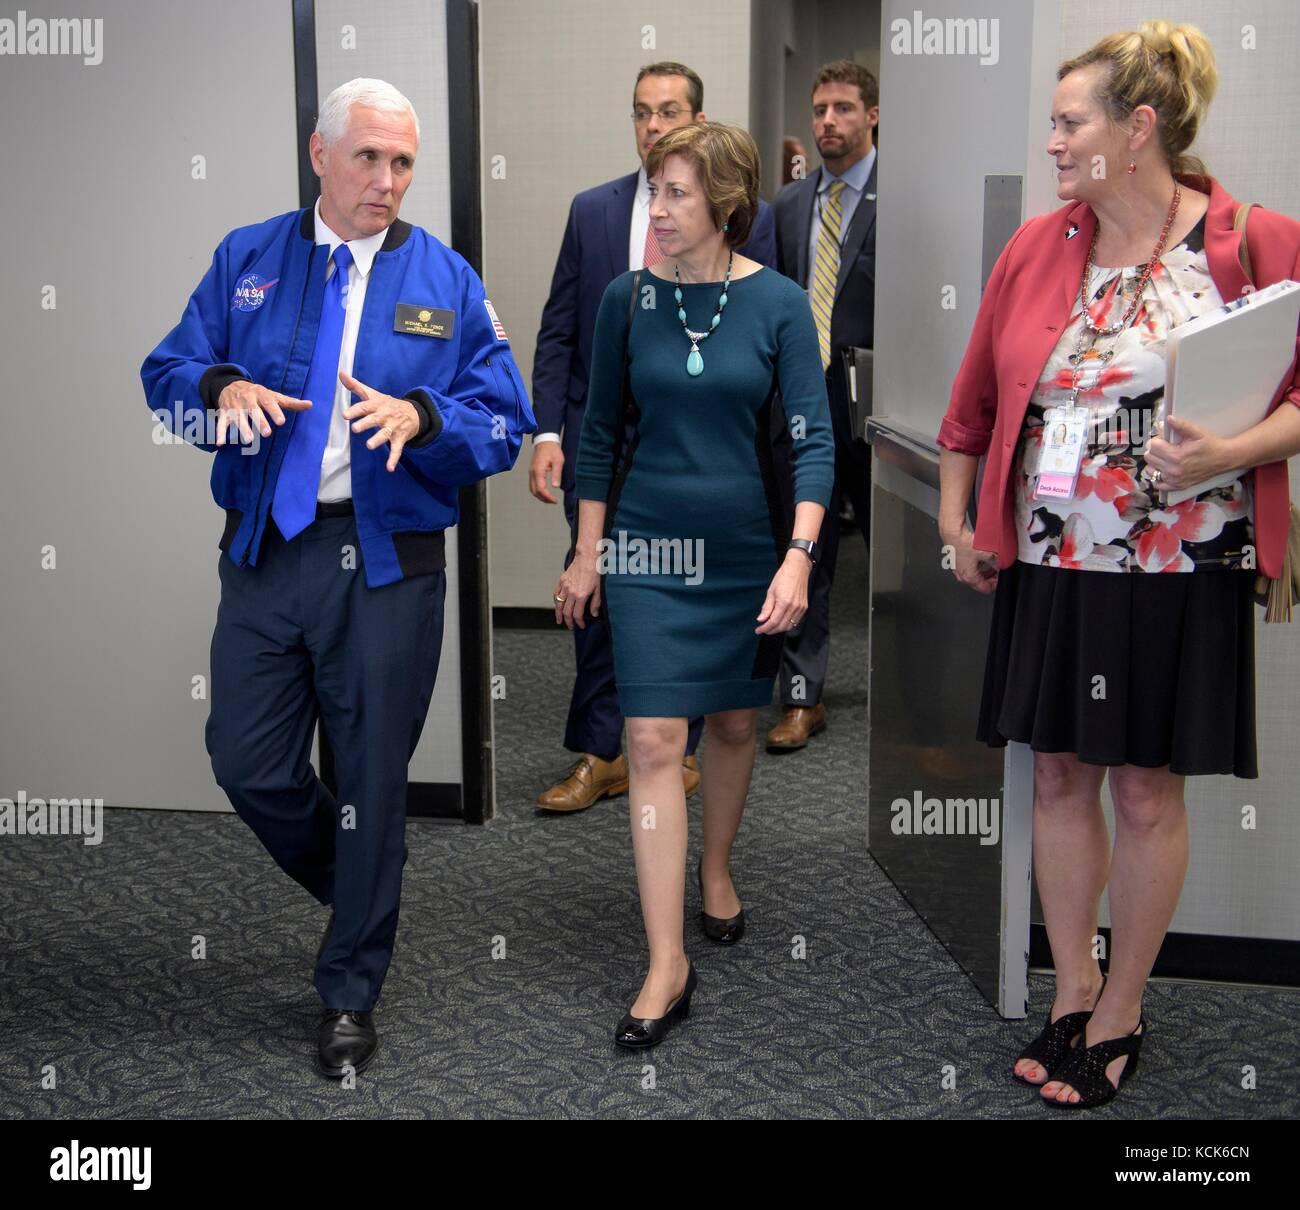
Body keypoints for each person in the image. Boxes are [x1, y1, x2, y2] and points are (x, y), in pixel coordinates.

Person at [936, 22, 1300, 1109]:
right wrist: (961, 520)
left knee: (1144, 789)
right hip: (1054, 560)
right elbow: (973, 407)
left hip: (1182, 567)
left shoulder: (1255, 242)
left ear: (1136, 130)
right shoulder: (1038, 247)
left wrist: (1234, 452)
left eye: (1069, 121)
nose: (1051, 142)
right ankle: (1071, 980)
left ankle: (1124, 1002)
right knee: (1056, 774)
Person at [141, 78, 535, 1078]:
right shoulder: (249, 259)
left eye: (403, 162)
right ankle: (365, 884)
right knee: (249, 761)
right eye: (368, 158)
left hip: (390, 565)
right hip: (269, 551)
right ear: (320, 155)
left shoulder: (444, 278)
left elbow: (504, 421)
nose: (388, 181)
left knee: (368, 783)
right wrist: (218, 389)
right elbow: (167, 376)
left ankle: (350, 986)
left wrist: (429, 421)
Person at [556, 122, 834, 1047]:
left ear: (724, 202)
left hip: (748, 546)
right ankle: (666, 962)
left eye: (677, 193)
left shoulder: (782, 304)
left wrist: (798, 554)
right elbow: (599, 435)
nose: (659, 210)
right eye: (654, 191)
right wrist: (588, 551)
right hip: (644, 548)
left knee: (731, 720)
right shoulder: (624, 301)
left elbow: (813, 441)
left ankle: (715, 866)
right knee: (648, 734)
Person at [530, 61, 777, 812]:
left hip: (696, 444)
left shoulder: (747, 221)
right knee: (593, 592)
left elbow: (764, 335)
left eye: (668, 111)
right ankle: (601, 751)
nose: (653, 126)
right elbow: (559, 329)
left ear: (697, 119)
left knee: (696, 605)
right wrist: (547, 431)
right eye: (641, 112)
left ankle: (675, 743)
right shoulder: (593, 210)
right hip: (601, 439)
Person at [766, 61, 878, 752]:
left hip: (876, 402)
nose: (828, 121)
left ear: (871, 115)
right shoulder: (787, 204)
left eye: (842, 108)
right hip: (803, 401)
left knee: (895, 555)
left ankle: (912, 697)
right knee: (804, 546)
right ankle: (802, 697)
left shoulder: (901, 198)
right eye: (819, 109)